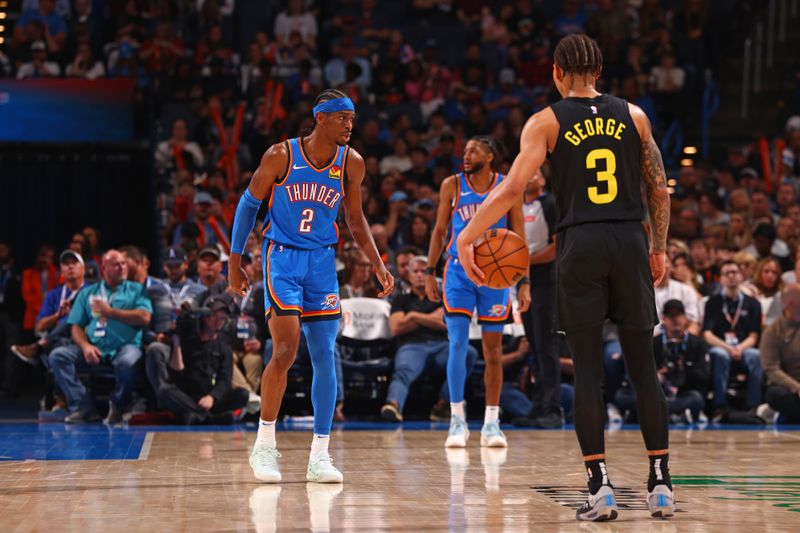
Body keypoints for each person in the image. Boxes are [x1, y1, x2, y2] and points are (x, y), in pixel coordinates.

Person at [454, 35, 674, 520]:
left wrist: (467, 235)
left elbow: (512, 188)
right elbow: (658, 190)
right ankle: (661, 484)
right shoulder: (635, 116)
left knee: (590, 373)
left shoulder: (546, 122)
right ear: (600, 70)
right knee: (644, 370)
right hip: (629, 241)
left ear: (556, 72)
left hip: (580, 245)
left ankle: (600, 489)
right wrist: (657, 246)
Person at [228, 89, 393, 484]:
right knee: (284, 350)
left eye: (353, 119)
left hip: (321, 261)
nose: (349, 125)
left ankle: (320, 453)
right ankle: (264, 445)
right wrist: (235, 262)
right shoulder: (281, 156)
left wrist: (378, 263)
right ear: (320, 117)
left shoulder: (351, 163)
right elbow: (248, 204)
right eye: (342, 118)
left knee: (325, 352)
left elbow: (354, 218)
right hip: (281, 257)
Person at [425, 135, 531, 449]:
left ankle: (491, 423)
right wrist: (430, 271)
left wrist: (524, 282)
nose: (466, 154)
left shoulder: (508, 185)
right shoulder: (452, 186)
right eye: (465, 148)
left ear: (490, 155)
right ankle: (457, 420)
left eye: (473, 150)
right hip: (458, 271)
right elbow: (440, 230)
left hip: (495, 277)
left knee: (493, 351)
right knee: (457, 343)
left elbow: (519, 235)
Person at [49, 250, 152, 424]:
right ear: (104, 268)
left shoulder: (136, 290)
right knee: (58, 356)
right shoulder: (88, 293)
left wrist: (111, 312)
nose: (122, 267)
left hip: (125, 347)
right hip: (94, 348)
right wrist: (85, 346)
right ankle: (82, 407)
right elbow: (75, 326)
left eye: (124, 263)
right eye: (116, 264)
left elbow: (144, 317)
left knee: (127, 362)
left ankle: (118, 406)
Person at [381, 256, 478, 422]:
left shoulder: (442, 296)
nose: (420, 275)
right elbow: (396, 327)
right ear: (408, 275)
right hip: (412, 346)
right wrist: (430, 318)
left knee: (468, 353)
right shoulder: (401, 299)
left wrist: (412, 316)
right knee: (403, 368)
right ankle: (394, 405)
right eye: (415, 271)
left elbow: (446, 324)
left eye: (424, 271)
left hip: (441, 346)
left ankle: (443, 405)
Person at [148, 296, 249, 425]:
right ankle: (210, 419)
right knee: (164, 391)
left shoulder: (225, 349)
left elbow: (225, 380)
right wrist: (176, 341)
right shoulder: (190, 341)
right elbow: (176, 374)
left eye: (222, 318)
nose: (218, 321)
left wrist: (212, 397)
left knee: (243, 394)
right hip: (187, 397)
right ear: (204, 317)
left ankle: (198, 417)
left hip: (211, 400)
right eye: (214, 316)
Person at [516, 169, 562, 428]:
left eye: (535, 174)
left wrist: (523, 262)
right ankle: (538, 405)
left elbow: (557, 246)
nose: (530, 176)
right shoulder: (517, 207)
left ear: (544, 180)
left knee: (547, 346)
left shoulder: (550, 203)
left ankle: (553, 409)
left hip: (547, 281)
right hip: (525, 281)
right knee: (534, 346)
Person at [703, 260, 763, 417]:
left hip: (744, 347)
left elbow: (754, 335)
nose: (731, 276)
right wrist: (729, 348)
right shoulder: (712, 302)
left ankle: (753, 406)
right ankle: (720, 405)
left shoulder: (753, 303)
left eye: (734, 272)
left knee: (755, 355)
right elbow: (707, 334)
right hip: (722, 347)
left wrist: (739, 348)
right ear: (720, 278)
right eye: (726, 273)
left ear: (741, 276)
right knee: (719, 354)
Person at [11, 250, 86, 365]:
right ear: (61, 272)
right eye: (66, 264)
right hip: (60, 339)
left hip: (83, 337)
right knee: (58, 346)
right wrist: (57, 315)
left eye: (75, 263)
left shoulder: (92, 291)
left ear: (83, 269)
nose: (70, 266)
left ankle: (39, 346)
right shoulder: (53, 294)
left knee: (73, 317)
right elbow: (40, 326)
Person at [760, 284, 800, 423]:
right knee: (775, 394)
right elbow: (771, 369)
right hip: (791, 388)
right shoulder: (773, 332)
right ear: (790, 304)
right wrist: (797, 388)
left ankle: (790, 417)